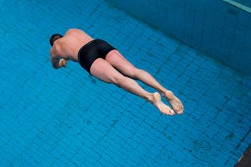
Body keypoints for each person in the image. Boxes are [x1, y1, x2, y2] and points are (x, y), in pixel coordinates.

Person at [49, 29, 184, 115]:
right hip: (98, 44)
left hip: (85, 54)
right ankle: (163, 90)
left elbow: (55, 65)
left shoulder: (55, 48)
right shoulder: (73, 30)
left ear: (54, 42)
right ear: (61, 35)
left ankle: (150, 97)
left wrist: (62, 61)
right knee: (133, 71)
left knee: (118, 79)